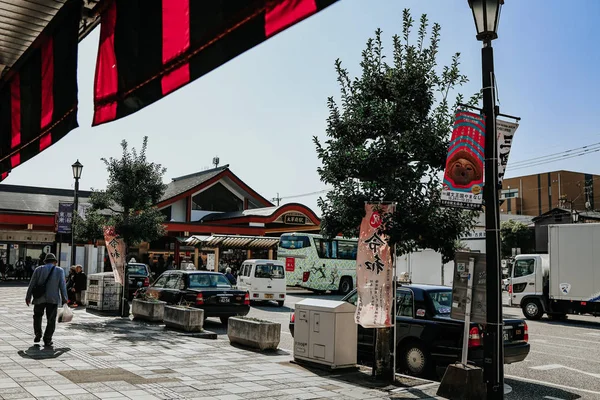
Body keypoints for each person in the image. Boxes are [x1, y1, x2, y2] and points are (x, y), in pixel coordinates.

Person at [25, 253, 67, 347]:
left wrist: (28, 297)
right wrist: (65, 298)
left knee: (37, 316)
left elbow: (32, 284)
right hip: (53, 299)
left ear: (45, 261)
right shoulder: (59, 270)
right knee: (51, 320)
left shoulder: (38, 269)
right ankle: (47, 339)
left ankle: (38, 334)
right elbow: (62, 286)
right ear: (55, 262)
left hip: (39, 298)